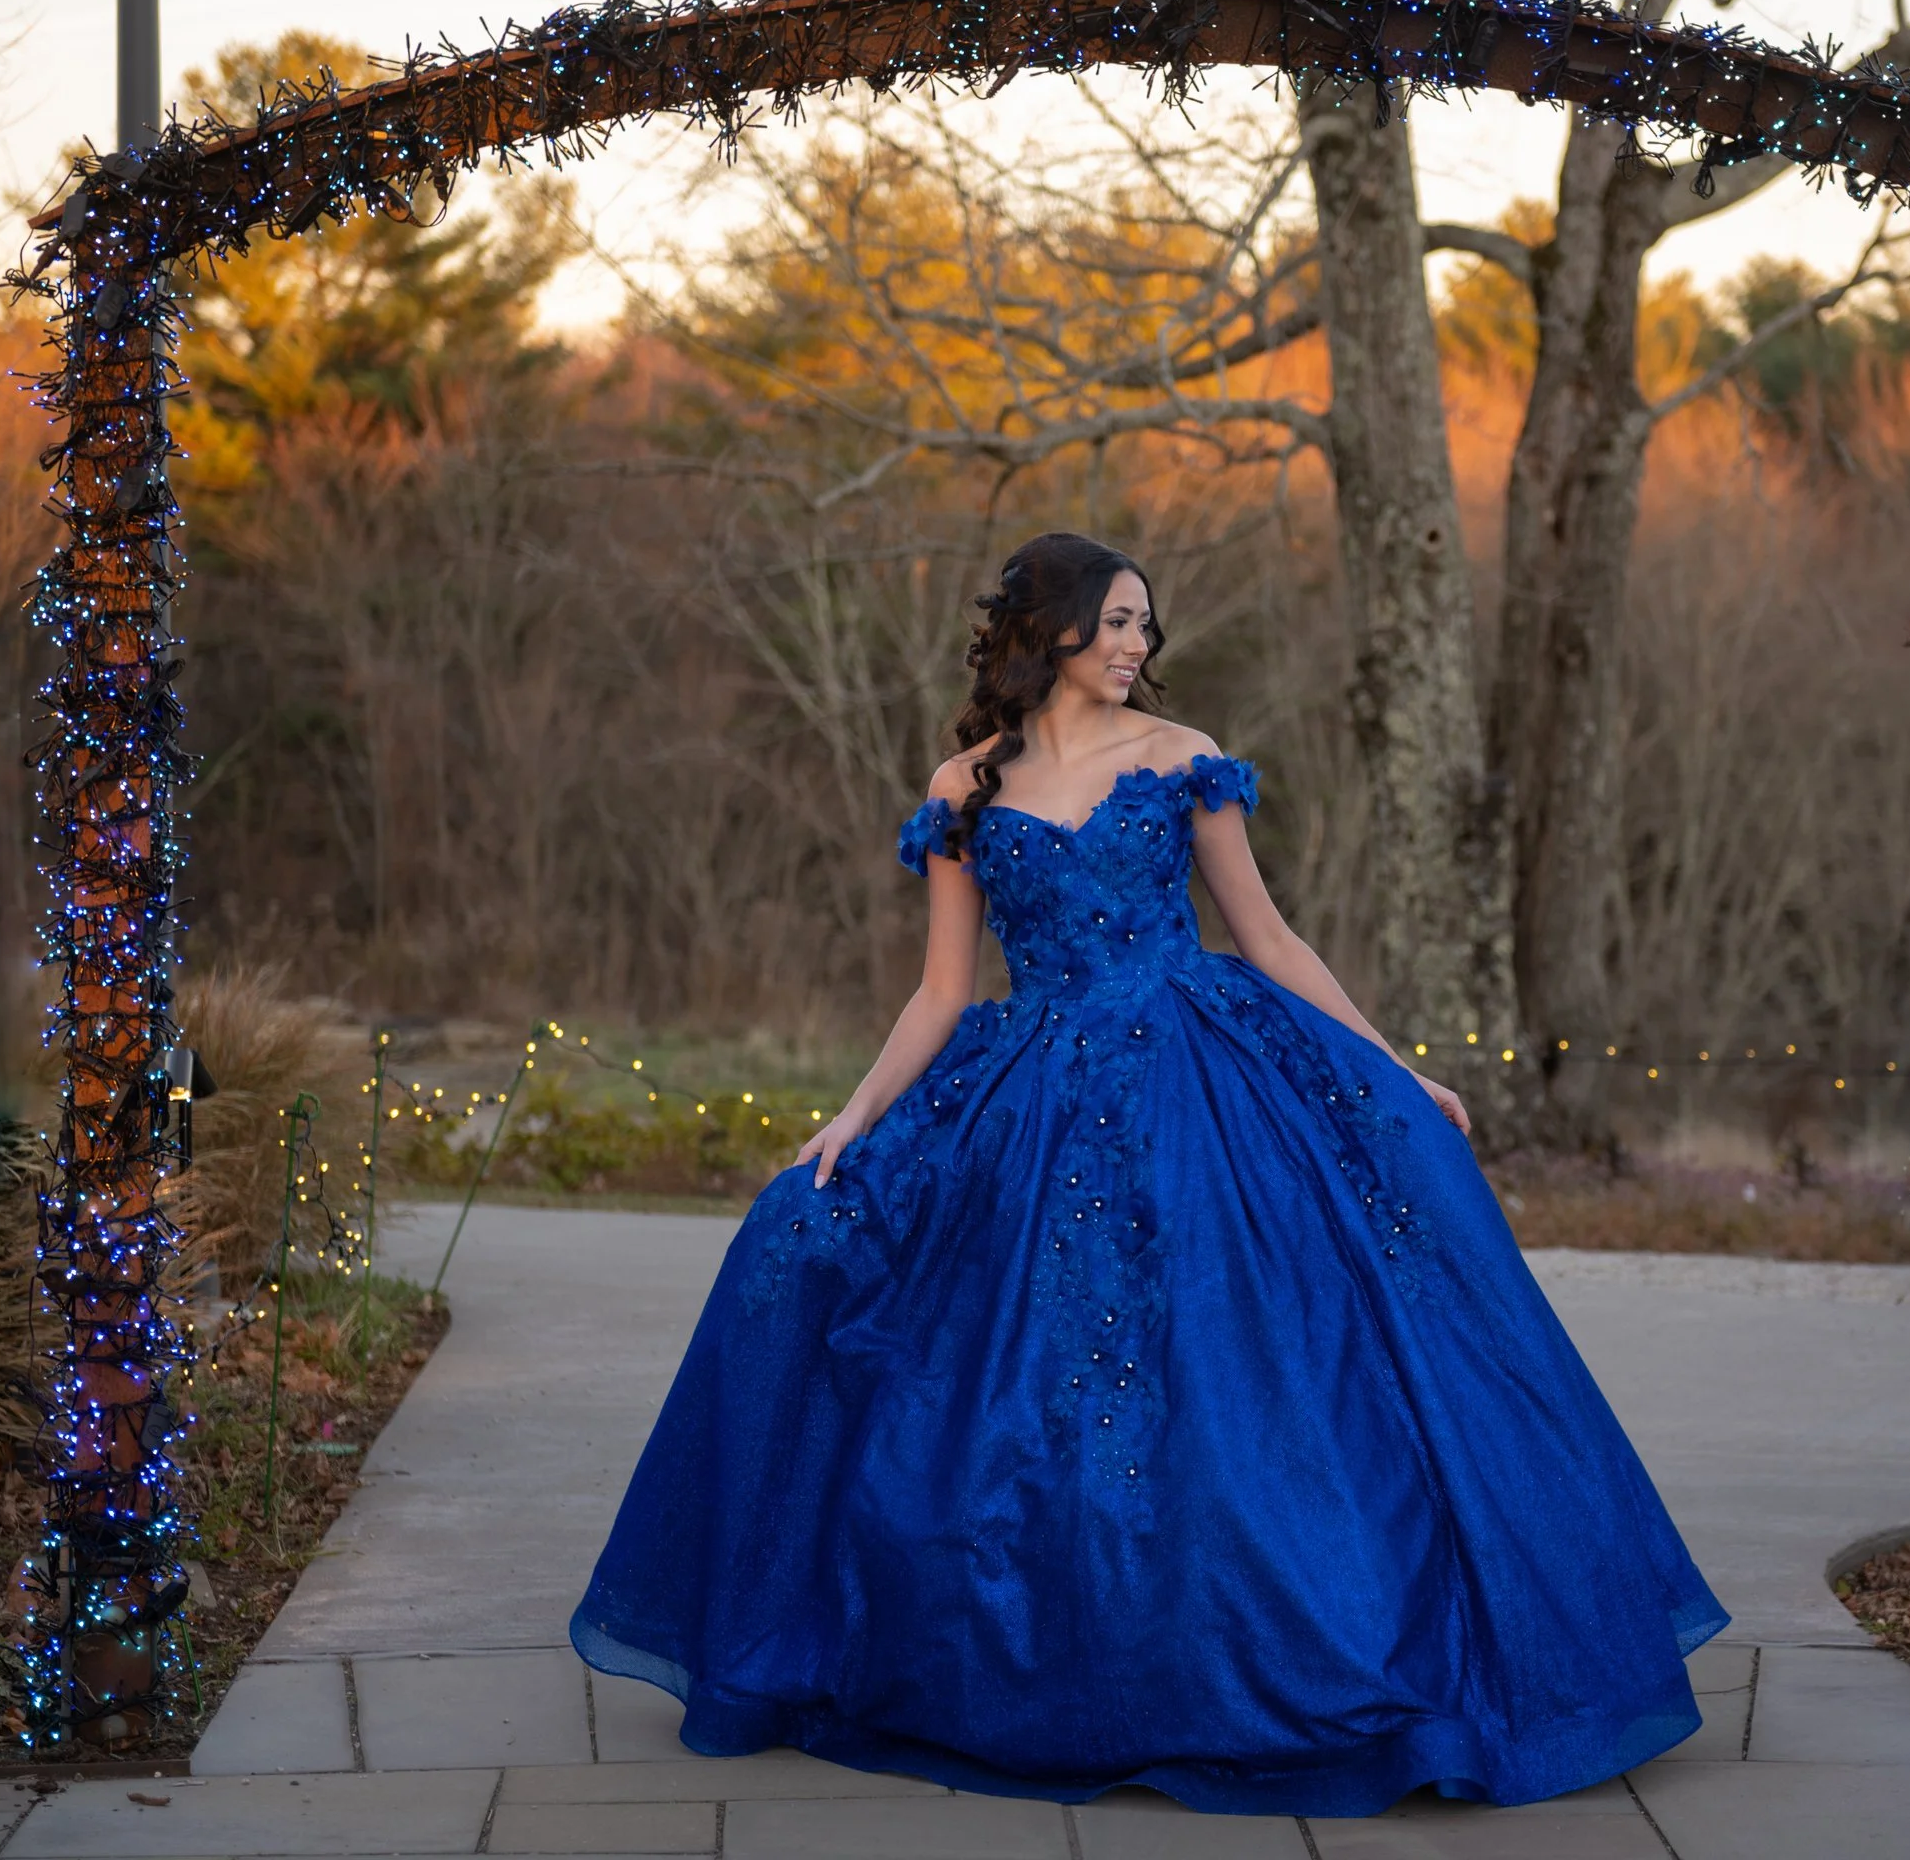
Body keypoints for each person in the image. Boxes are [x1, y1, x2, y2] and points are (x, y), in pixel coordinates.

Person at [571, 532, 1726, 1816]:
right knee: (854, 1275)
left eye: (1144, 628)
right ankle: (1035, 1655)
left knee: (1232, 1372)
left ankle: (1265, 1649)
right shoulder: (962, 788)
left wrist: (1389, 1066)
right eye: (1117, 622)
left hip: (1200, 1083)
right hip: (1028, 1099)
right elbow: (943, 989)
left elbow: (1268, 934)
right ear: (1052, 629)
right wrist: (849, 1117)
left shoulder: (1185, 762)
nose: (1135, 647)